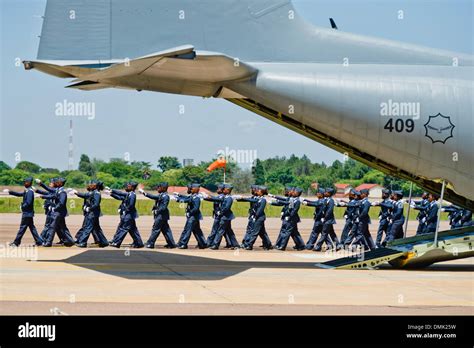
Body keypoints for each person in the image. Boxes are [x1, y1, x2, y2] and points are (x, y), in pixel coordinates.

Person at [4, 177, 43, 246]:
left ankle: (16, 243)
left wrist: (22, 207)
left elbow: (29, 203)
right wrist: (10, 192)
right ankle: (39, 241)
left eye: (25, 182)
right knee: (32, 228)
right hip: (28, 213)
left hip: (27, 213)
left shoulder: (30, 192)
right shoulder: (27, 191)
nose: (24, 183)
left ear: (29, 183)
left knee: (22, 228)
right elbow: (19, 194)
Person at [40, 177, 75, 247]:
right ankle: (70, 241)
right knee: (63, 228)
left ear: (61, 183)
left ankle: (48, 242)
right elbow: (53, 195)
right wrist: (43, 196)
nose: (56, 182)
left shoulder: (62, 192)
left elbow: (61, 203)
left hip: (58, 212)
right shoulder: (58, 190)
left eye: (57, 181)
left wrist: (54, 208)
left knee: (52, 227)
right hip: (59, 212)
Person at [140, 182, 177, 249]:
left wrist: (157, 210)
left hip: (161, 216)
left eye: (159, 187)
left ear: (163, 188)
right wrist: (144, 193)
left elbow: (163, 207)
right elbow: (155, 197)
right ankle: (171, 244)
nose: (157, 188)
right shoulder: (161, 195)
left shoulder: (165, 196)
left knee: (156, 229)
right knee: (166, 230)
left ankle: (150, 243)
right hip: (161, 216)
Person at [108, 182, 144, 248]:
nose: (126, 187)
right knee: (133, 230)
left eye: (128, 186)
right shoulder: (129, 194)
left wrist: (125, 210)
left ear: (132, 187)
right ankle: (139, 243)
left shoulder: (132, 195)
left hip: (129, 215)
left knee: (124, 228)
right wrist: (111, 194)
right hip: (128, 214)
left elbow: (131, 205)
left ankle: (117, 242)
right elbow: (120, 197)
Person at [74, 180, 109, 248]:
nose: (90, 185)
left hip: (92, 213)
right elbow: (85, 195)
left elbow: (96, 204)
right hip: (92, 213)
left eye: (92, 184)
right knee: (97, 228)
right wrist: (77, 193)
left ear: (96, 186)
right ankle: (104, 242)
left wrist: (89, 208)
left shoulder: (96, 193)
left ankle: (83, 242)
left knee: (88, 227)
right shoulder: (93, 192)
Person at [240, 186, 273, 250]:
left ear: (262, 192)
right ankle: (268, 244)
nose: (257, 191)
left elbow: (260, 210)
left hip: (259, 218)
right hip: (255, 217)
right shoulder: (257, 198)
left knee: (254, 232)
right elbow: (251, 201)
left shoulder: (263, 200)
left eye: (259, 190)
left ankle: (249, 245)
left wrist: (255, 217)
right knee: (262, 233)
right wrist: (241, 198)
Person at [175, 184, 207, 249]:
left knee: (187, 230)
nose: (190, 189)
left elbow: (196, 208)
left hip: (193, 216)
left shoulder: (196, 198)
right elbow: (187, 198)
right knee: (197, 231)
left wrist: (190, 213)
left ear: (196, 189)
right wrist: (179, 196)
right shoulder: (193, 196)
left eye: (192, 188)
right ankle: (203, 244)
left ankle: (183, 244)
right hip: (193, 216)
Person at [209, 184, 239, 250]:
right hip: (224, 216)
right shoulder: (224, 197)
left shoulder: (229, 198)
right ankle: (235, 245)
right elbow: (216, 199)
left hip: (225, 217)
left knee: (220, 231)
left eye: (224, 189)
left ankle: (215, 244)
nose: (223, 190)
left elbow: (226, 208)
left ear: (228, 190)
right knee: (229, 231)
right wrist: (208, 197)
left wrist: (220, 213)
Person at [203, 184, 232, 248]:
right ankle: (230, 243)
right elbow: (213, 198)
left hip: (222, 216)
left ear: (222, 190)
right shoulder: (220, 196)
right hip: (219, 215)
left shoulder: (222, 197)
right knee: (226, 231)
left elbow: (214, 199)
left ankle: (211, 243)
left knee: (217, 230)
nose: (217, 190)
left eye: (219, 189)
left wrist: (207, 197)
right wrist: (205, 197)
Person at [34, 178, 57, 243]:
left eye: (51, 183)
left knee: (48, 226)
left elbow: (47, 192)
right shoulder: (52, 191)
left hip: (54, 212)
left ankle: (41, 239)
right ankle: (66, 240)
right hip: (50, 211)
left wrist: (41, 183)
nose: (50, 184)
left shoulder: (55, 190)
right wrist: (36, 190)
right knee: (55, 227)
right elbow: (45, 192)